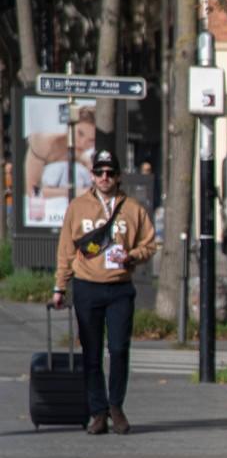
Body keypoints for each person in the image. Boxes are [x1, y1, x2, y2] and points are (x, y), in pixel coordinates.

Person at [52, 150, 159, 435]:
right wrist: (59, 286)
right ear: (92, 176)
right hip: (87, 287)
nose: (104, 178)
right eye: (99, 172)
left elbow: (150, 244)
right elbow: (66, 249)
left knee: (120, 349)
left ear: (118, 176)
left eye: (110, 173)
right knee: (92, 353)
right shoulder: (78, 207)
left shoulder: (132, 208)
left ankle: (116, 407)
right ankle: (97, 412)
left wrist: (132, 256)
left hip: (120, 288)